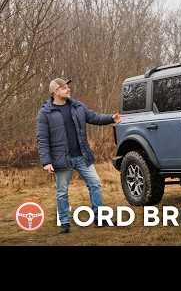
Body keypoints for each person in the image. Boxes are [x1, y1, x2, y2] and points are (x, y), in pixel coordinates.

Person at [36, 78, 121, 234]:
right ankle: (64, 223)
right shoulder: (45, 113)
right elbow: (42, 139)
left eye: (68, 87)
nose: (68, 89)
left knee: (95, 183)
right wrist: (46, 161)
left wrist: (111, 118)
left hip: (82, 156)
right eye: (64, 88)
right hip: (62, 160)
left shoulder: (77, 106)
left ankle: (100, 218)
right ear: (55, 91)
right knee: (62, 192)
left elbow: (94, 117)